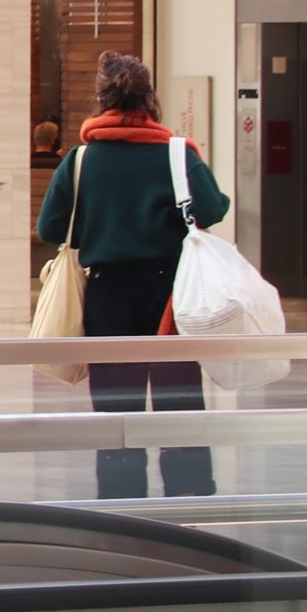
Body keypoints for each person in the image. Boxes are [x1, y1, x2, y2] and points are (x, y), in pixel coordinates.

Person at [37, 53, 231, 498]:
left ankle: (122, 499)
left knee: (116, 407)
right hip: (172, 294)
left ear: (102, 100)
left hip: (108, 293)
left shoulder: (82, 160)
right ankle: (190, 495)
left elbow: (51, 228)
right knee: (179, 401)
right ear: (150, 100)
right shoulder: (178, 153)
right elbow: (213, 209)